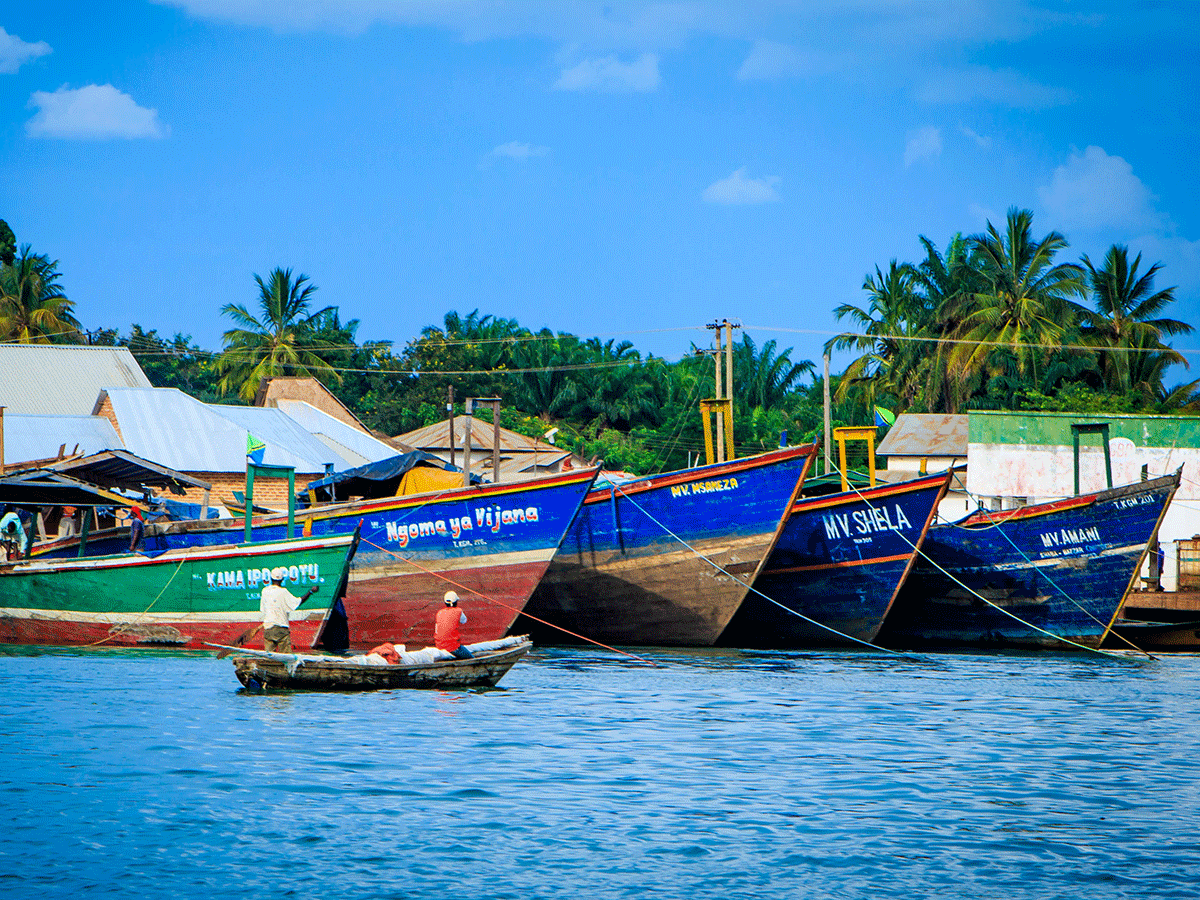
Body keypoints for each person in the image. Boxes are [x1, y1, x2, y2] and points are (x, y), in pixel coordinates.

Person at [260, 566, 319, 653]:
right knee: (286, 657)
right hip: (281, 629)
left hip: (268, 628)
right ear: (282, 579)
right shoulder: (283, 592)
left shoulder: (264, 591)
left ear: (271, 579)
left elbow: (263, 609)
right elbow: (298, 602)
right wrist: (310, 592)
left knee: (269, 656)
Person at [434, 590, 474, 659]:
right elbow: (464, 621)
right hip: (453, 647)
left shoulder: (439, 613)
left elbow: (437, 630)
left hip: (439, 647)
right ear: (455, 602)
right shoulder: (458, 611)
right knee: (471, 658)